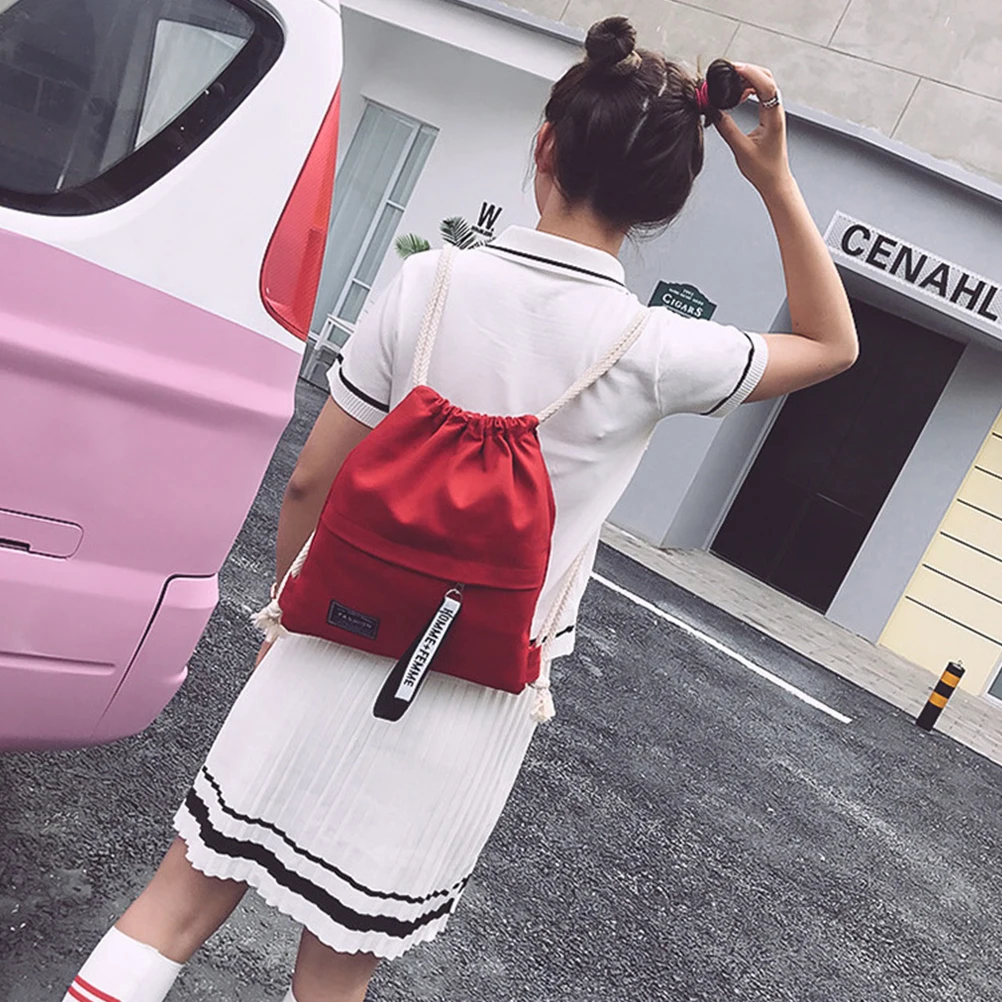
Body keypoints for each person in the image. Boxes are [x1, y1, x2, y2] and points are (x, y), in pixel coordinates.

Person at [61, 16, 857, 1002]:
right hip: (475, 691)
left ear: (545, 145)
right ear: (666, 199)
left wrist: (290, 617)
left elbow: (312, 481)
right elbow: (831, 343)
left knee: (178, 902)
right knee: (337, 966)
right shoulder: (656, 352)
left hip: (332, 634)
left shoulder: (429, 282)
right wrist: (773, 179)